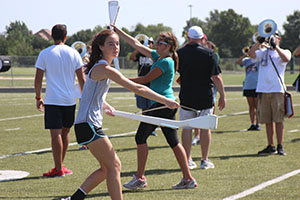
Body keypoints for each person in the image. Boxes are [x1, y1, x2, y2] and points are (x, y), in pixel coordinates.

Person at [61, 29, 179, 200]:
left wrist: (105, 105)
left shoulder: (101, 67)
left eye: (117, 43)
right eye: (111, 44)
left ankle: (74, 199)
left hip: (87, 124)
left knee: (106, 168)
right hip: (88, 124)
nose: (116, 47)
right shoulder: (104, 68)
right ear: (100, 47)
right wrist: (165, 100)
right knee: (115, 165)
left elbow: (91, 93)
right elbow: (138, 87)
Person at [112, 24, 198, 190]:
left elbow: (146, 79)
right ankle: (188, 179)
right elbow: (136, 45)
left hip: (162, 104)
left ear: (169, 47)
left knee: (140, 137)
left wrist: (119, 79)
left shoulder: (166, 61)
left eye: (160, 43)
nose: (156, 45)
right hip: (164, 104)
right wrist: (118, 31)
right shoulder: (158, 56)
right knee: (173, 141)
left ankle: (140, 178)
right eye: (157, 42)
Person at [34, 24, 85, 178]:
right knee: (65, 131)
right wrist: (85, 97)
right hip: (70, 100)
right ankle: (60, 166)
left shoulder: (45, 53)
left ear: (51, 36)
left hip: (52, 100)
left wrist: (38, 97)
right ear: (66, 36)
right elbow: (82, 79)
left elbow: (38, 79)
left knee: (55, 134)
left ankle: (58, 168)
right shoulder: (74, 52)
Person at [177, 26, 226, 170]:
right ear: (202, 38)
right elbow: (216, 77)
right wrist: (223, 95)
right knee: (205, 128)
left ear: (188, 37)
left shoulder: (180, 53)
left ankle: (187, 159)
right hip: (205, 94)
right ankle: (204, 160)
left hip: (186, 94)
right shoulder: (209, 53)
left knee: (186, 128)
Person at [248, 31, 291, 156]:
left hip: (277, 90)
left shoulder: (284, 51)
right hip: (263, 90)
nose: (272, 38)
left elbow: (286, 58)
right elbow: (250, 54)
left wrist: (275, 46)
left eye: (275, 36)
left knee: (278, 120)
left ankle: (280, 145)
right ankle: (270, 145)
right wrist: (259, 42)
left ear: (279, 38)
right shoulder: (263, 53)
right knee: (267, 120)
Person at [129, 37, 157, 136]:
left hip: (151, 84)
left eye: (150, 42)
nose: (148, 44)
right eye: (147, 42)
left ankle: (152, 128)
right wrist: (138, 48)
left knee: (151, 107)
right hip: (140, 84)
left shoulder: (154, 54)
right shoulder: (140, 53)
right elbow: (131, 57)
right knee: (143, 108)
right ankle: (146, 127)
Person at [236, 46, 260, 131]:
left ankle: (258, 123)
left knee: (257, 106)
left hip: (257, 85)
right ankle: (252, 123)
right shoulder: (247, 61)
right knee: (251, 106)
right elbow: (238, 62)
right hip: (248, 85)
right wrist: (245, 55)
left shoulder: (259, 60)